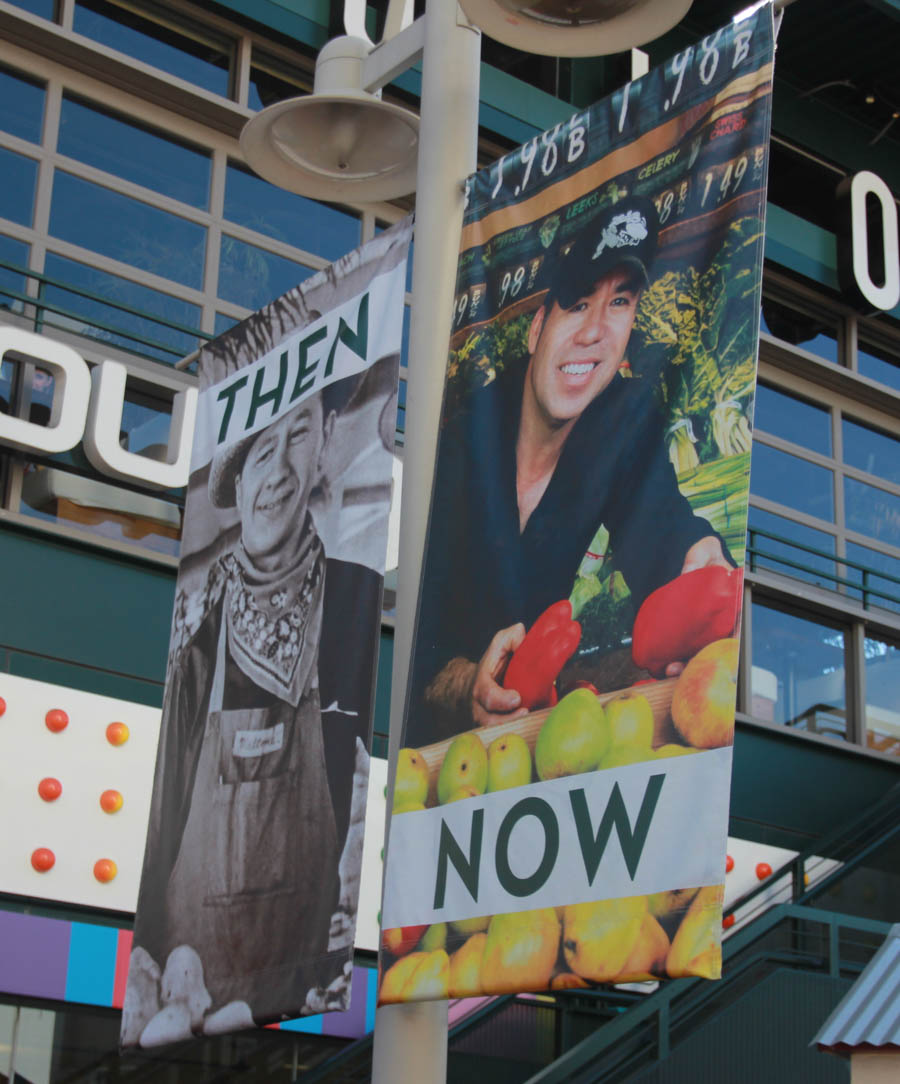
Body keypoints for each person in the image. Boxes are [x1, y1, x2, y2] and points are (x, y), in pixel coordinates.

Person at [408, 199, 732, 745]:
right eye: (578, 304)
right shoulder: (464, 439)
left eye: (620, 302)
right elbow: (415, 638)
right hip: (416, 751)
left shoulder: (619, 422)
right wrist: (467, 684)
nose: (596, 332)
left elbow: (659, 522)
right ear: (538, 329)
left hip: (534, 740)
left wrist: (697, 560)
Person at [132, 380, 381, 1033]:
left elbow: (358, 805)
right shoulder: (198, 639)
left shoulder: (354, 607)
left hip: (309, 990)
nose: (276, 472)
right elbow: (161, 831)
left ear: (324, 445)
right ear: (237, 490)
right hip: (191, 994)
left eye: (296, 436)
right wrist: (153, 969)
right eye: (257, 455)